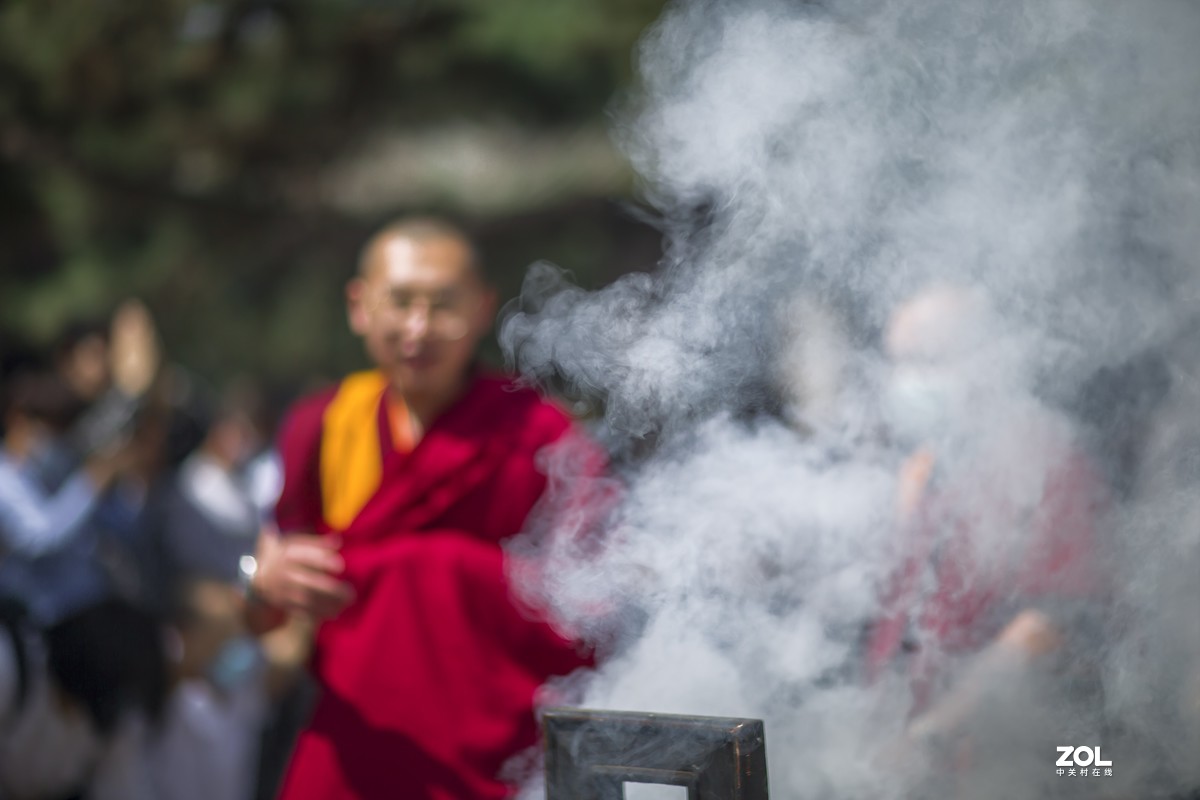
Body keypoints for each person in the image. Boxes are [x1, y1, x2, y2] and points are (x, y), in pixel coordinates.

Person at [244, 217, 594, 800]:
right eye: (401, 302)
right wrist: (262, 582)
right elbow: (269, 614)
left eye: (444, 306)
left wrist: (438, 571)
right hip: (356, 742)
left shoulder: (540, 433)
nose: (419, 328)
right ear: (359, 307)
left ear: (483, 309)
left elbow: (593, 603)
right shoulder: (323, 426)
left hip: (497, 751)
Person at [866, 285, 1108, 789]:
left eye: (927, 360)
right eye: (898, 362)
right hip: (914, 759)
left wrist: (933, 732)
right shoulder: (922, 465)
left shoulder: (1046, 461)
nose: (906, 380)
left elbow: (1050, 623)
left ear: (988, 360)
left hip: (1022, 757)